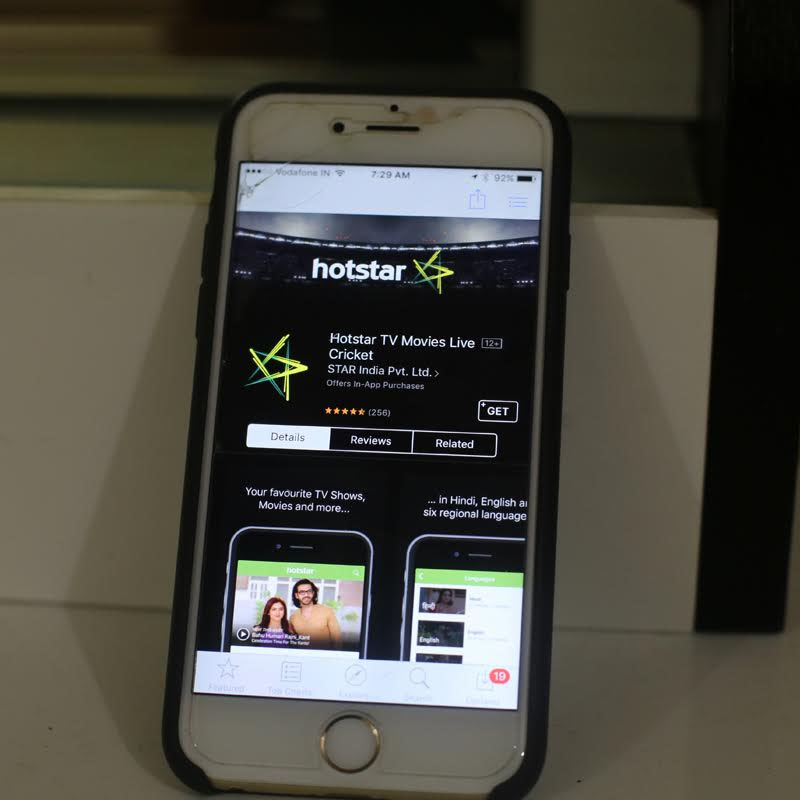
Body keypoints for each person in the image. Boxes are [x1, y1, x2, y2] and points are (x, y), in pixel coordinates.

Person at [289, 579, 341, 648]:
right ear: (296, 595)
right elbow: (292, 643)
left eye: (309, 591)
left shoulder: (327, 611)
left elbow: (337, 640)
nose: (306, 595)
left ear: (313, 593)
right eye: (302, 592)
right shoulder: (293, 617)